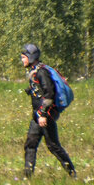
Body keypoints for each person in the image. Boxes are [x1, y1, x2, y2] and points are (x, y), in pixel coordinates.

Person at [20, 43, 76, 178]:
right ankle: (27, 177)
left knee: (53, 146)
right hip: (37, 115)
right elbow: (40, 90)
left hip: (45, 115)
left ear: (31, 57)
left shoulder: (41, 72)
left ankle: (72, 173)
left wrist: (43, 115)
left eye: (23, 57)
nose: (22, 60)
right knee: (30, 144)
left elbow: (49, 94)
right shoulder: (34, 71)